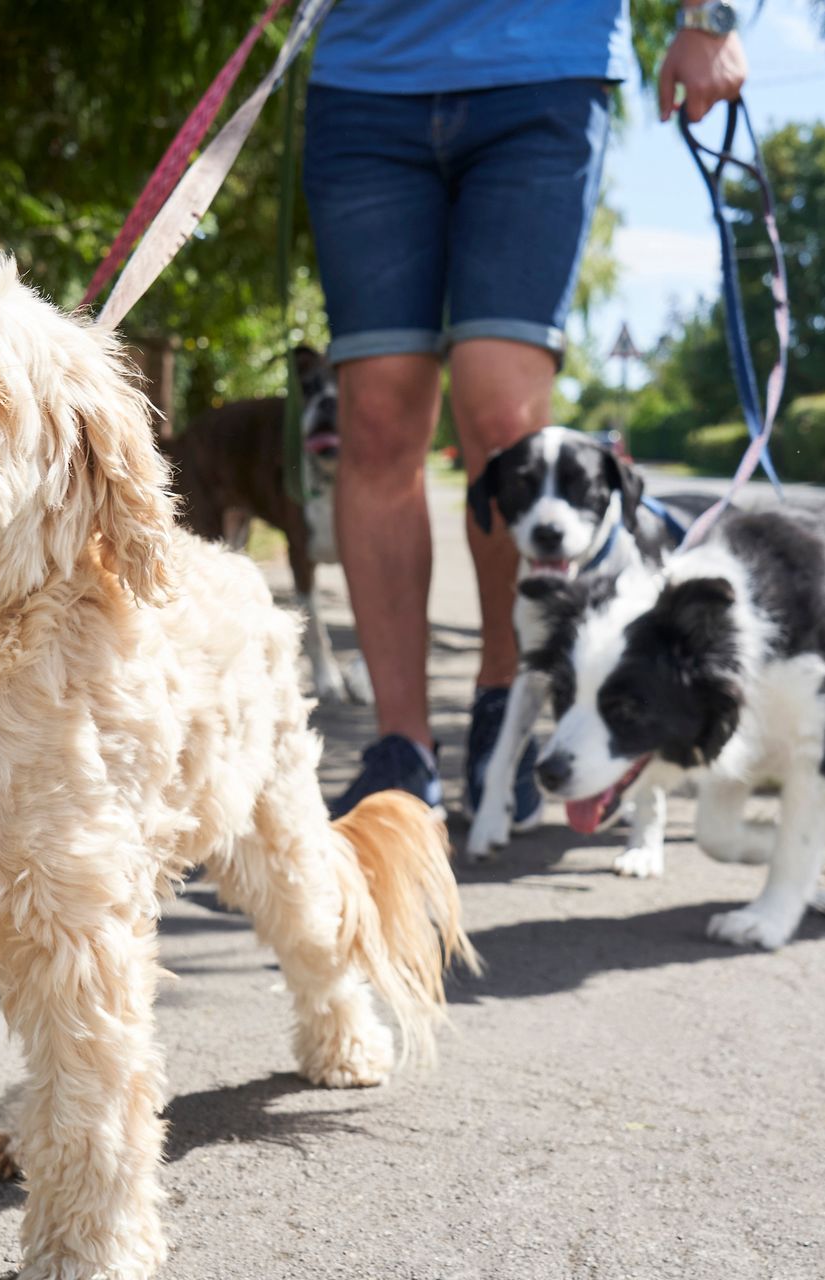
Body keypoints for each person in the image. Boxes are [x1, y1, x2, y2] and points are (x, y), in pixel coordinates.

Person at [303, 0, 749, 818]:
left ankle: (501, 702)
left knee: (506, 421)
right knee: (375, 417)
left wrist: (708, 17)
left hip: (541, 65)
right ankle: (401, 750)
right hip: (364, 79)